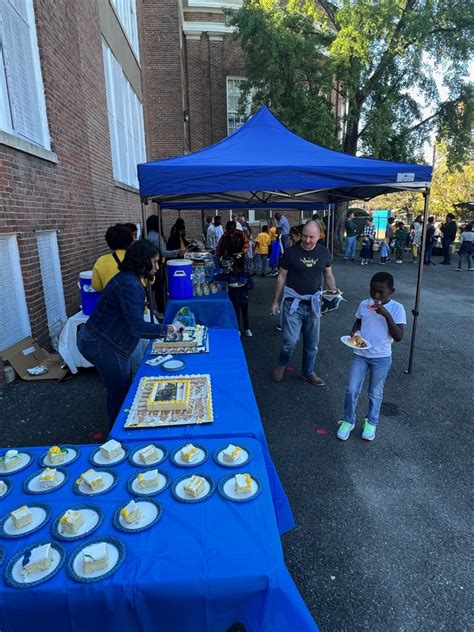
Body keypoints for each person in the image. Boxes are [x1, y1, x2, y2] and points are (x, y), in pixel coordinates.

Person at [78, 240, 179, 426]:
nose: (157, 267)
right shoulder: (130, 285)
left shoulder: (127, 278)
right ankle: (118, 440)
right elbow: (137, 327)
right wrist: (168, 329)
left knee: (118, 390)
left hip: (101, 339)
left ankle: (118, 429)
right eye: (155, 262)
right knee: (121, 393)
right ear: (142, 262)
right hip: (106, 344)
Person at [336, 271, 406, 442]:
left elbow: (398, 337)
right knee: (351, 389)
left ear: (392, 291)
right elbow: (359, 321)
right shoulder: (364, 304)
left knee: (375, 392)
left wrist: (386, 315)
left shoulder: (397, 308)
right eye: (373, 290)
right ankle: (348, 420)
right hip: (360, 353)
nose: (376, 295)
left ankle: (371, 421)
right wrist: (353, 333)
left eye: (381, 292)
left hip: (381, 357)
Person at [271, 220, 338, 386]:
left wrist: (334, 291)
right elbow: (281, 276)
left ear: (319, 236)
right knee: (290, 341)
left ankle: (308, 372)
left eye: (311, 237)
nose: (307, 240)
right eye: (304, 236)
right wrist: (275, 301)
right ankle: (282, 364)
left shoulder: (324, 252)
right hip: (293, 303)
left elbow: (328, 274)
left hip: (314, 304)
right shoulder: (291, 253)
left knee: (312, 343)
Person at [146, 215, 184, 315]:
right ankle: (161, 310)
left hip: (147, 264)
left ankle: (151, 308)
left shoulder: (146, 234)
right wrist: (177, 252)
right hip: (157, 264)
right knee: (159, 287)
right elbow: (163, 252)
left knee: (151, 288)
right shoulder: (157, 237)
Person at [216, 254, 254, 336]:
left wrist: (245, 285)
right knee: (236, 315)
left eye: (237, 269)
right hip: (234, 298)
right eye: (234, 268)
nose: (235, 270)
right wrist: (215, 278)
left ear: (240, 268)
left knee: (245, 315)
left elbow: (251, 285)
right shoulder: (230, 274)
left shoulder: (246, 275)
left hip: (244, 298)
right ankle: (238, 329)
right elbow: (222, 277)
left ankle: (247, 329)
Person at [91, 224, 134, 291]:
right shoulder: (136, 257)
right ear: (130, 240)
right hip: (134, 298)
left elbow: (96, 287)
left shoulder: (101, 261)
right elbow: (147, 281)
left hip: (110, 300)